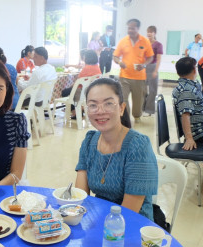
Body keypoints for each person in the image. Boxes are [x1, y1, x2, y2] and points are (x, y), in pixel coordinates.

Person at [75, 78, 157, 221]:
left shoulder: (138, 146)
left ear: (121, 108)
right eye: (93, 105)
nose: (100, 111)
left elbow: (128, 214)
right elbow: (80, 198)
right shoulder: (89, 142)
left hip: (132, 224)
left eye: (108, 104)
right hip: (98, 218)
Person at [113, 18, 154, 123]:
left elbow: (150, 57)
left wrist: (144, 65)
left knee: (138, 101)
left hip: (139, 78)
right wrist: (119, 62)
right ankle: (125, 119)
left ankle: (137, 117)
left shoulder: (145, 41)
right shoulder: (123, 41)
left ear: (138, 28)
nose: (130, 30)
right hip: (124, 76)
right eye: (129, 28)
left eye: (132, 28)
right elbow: (115, 56)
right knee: (123, 99)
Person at [61, 50, 101, 118]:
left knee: (65, 92)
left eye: (84, 57)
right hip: (91, 90)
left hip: (82, 91)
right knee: (71, 91)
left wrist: (70, 87)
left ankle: (75, 112)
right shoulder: (97, 67)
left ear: (88, 58)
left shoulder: (86, 68)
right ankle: (79, 110)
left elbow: (77, 83)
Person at [143, 26, 163, 116]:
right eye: (148, 32)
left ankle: (149, 110)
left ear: (154, 33)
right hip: (143, 68)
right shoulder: (144, 43)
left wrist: (155, 70)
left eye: (151, 32)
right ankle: (142, 108)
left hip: (153, 67)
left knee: (152, 90)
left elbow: (158, 59)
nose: (149, 34)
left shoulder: (158, 45)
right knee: (142, 89)